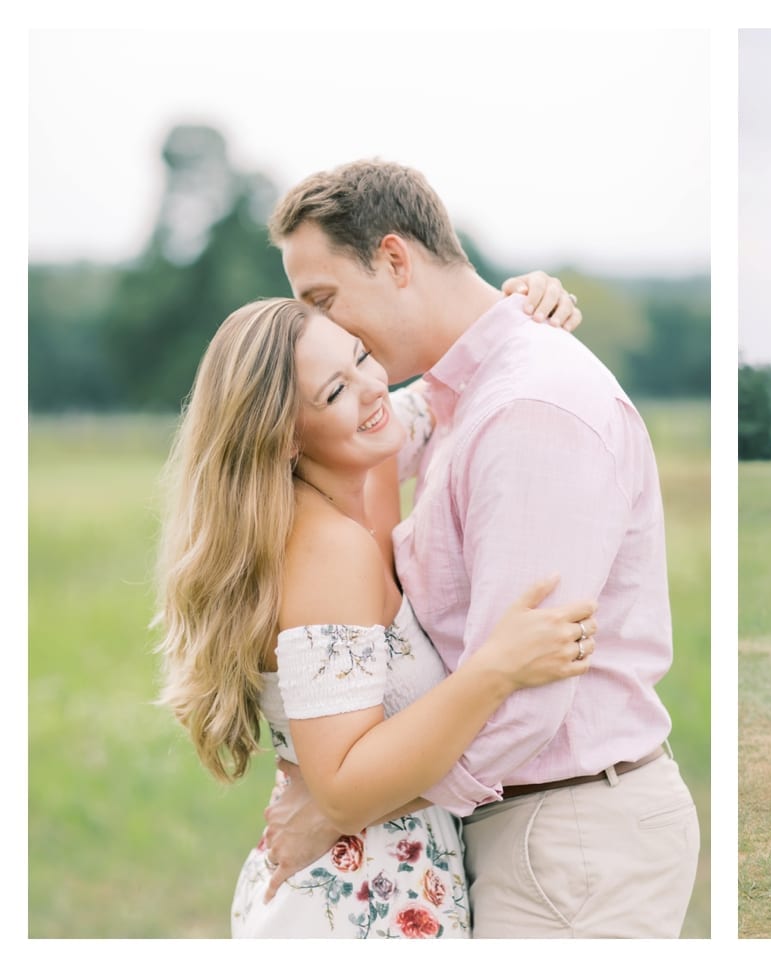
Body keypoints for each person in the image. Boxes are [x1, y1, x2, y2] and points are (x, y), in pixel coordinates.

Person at [260, 159, 700, 938]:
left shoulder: (528, 406)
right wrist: (515, 307)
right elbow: (357, 428)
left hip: (567, 839)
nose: (326, 333)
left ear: (395, 259)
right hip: (534, 830)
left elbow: (524, 702)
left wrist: (347, 805)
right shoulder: (461, 394)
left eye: (325, 301)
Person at [154, 296, 601, 937]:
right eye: (336, 389)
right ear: (283, 435)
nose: (372, 387)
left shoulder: (360, 472)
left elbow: (432, 393)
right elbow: (338, 789)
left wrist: (521, 304)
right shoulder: (327, 550)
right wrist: (497, 668)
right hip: (361, 903)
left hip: (369, 882)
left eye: (363, 357)